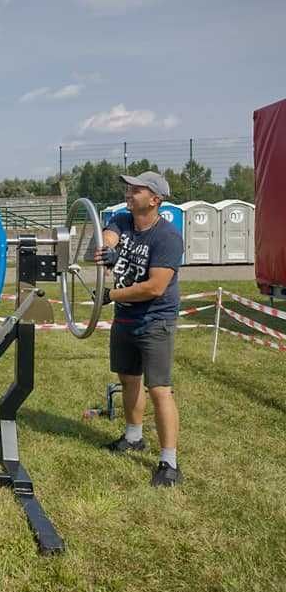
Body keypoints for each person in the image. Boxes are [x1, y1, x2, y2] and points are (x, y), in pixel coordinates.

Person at [93, 170, 185, 487]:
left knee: (159, 389)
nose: (129, 193)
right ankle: (133, 437)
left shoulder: (167, 238)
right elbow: (109, 235)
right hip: (126, 318)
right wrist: (108, 249)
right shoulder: (122, 219)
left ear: (155, 199)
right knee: (129, 379)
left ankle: (169, 462)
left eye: (137, 190)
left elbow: (155, 287)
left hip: (155, 319)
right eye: (128, 188)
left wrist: (111, 295)